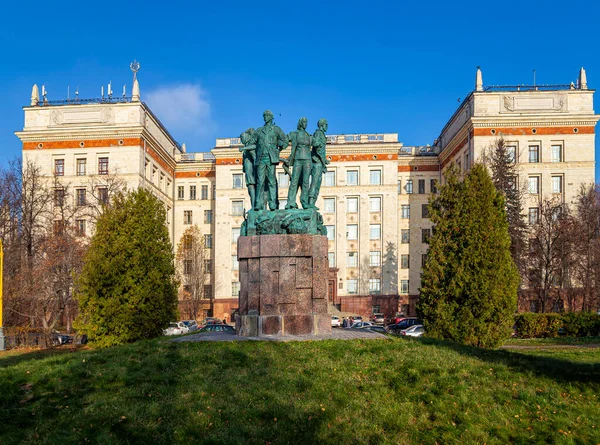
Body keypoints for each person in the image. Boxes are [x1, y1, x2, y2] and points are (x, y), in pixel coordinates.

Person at [254, 110, 289, 211]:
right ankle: (258, 203)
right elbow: (252, 141)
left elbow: (285, 141)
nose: (265, 117)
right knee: (260, 181)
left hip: (270, 158)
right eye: (264, 115)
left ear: (271, 117)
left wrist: (277, 150)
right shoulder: (259, 130)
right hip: (261, 158)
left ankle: (272, 203)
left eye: (267, 115)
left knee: (271, 181)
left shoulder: (276, 129)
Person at [286, 117, 312, 209]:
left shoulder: (309, 135)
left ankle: (304, 202)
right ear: (300, 123)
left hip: (307, 160)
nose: (305, 124)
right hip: (297, 159)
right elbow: (284, 140)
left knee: (305, 182)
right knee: (294, 181)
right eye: (304, 122)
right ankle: (290, 202)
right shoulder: (294, 134)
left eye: (306, 122)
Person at [308, 118, 330, 208]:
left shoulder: (321, 134)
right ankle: (310, 202)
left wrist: (324, 160)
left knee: (318, 183)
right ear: (322, 125)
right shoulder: (318, 133)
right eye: (326, 125)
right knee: (315, 182)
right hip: (316, 162)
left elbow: (321, 150)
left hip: (320, 162)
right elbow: (316, 145)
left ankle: (312, 203)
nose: (327, 127)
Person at [239, 128, 257, 208]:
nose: (242, 140)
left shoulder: (250, 143)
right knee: (250, 188)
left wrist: (244, 148)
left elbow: (255, 147)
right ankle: (253, 206)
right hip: (248, 170)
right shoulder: (247, 145)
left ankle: (255, 206)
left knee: (253, 187)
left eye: (242, 138)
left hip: (252, 170)